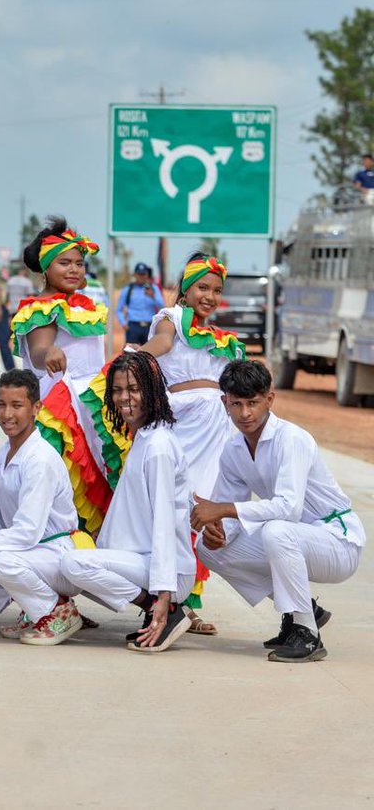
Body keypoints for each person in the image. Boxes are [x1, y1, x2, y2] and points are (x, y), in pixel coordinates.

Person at [191, 360, 364, 663]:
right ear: (224, 403)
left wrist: (222, 510)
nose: (245, 413)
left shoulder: (291, 439)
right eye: (236, 404)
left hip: (338, 541)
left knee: (277, 530)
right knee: (208, 549)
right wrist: (218, 532)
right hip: (296, 539)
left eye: (253, 403)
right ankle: (302, 610)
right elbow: (230, 515)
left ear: (269, 399)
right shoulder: (233, 449)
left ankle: (308, 636)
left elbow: (289, 507)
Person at [134, 253, 247, 635]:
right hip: (182, 427)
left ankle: (189, 604)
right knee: (173, 509)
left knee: (203, 512)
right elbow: (162, 343)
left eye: (216, 290)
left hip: (217, 432)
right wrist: (136, 358)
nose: (210, 296)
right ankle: (163, 600)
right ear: (186, 288)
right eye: (202, 287)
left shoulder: (222, 339)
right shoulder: (172, 319)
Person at [0, 369, 93, 645]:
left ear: (36, 408)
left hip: (58, 556)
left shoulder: (40, 459)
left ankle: (57, 611)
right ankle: (33, 608)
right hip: (30, 554)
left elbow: (27, 532)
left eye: (17, 406)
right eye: (1, 404)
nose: (7, 414)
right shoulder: (5, 452)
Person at [60, 352, 197, 653]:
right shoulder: (144, 438)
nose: (125, 398)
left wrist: (163, 594)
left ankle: (164, 610)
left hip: (168, 572)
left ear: (152, 391)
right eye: (118, 390)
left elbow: (164, 523)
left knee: (73, 564)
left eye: (134, 389)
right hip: (144, 562)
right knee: (63, 559)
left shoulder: (158, 446)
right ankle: (155, 608)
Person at [11, 217, 115, 532]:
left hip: (93, 404)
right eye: (64, 263)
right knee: (67, 481)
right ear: (45, 268)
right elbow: (39, 350)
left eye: (79, 264)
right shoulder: (41, 307)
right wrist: (49, 353)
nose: (74, 270)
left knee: (100, 478)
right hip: (61, 406)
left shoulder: (87, 306)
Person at [115, 262, 164, 345]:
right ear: (135, 275)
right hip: (133, 327)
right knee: (131, 352)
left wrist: (153, 296)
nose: (141, 277)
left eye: (144, 274)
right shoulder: (128, 289)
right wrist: (124, 324)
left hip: (149, 327)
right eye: (139, 274)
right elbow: (119, 310)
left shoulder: (154, 288)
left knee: (149, 352)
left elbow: (162, 305)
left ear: (147, 275)